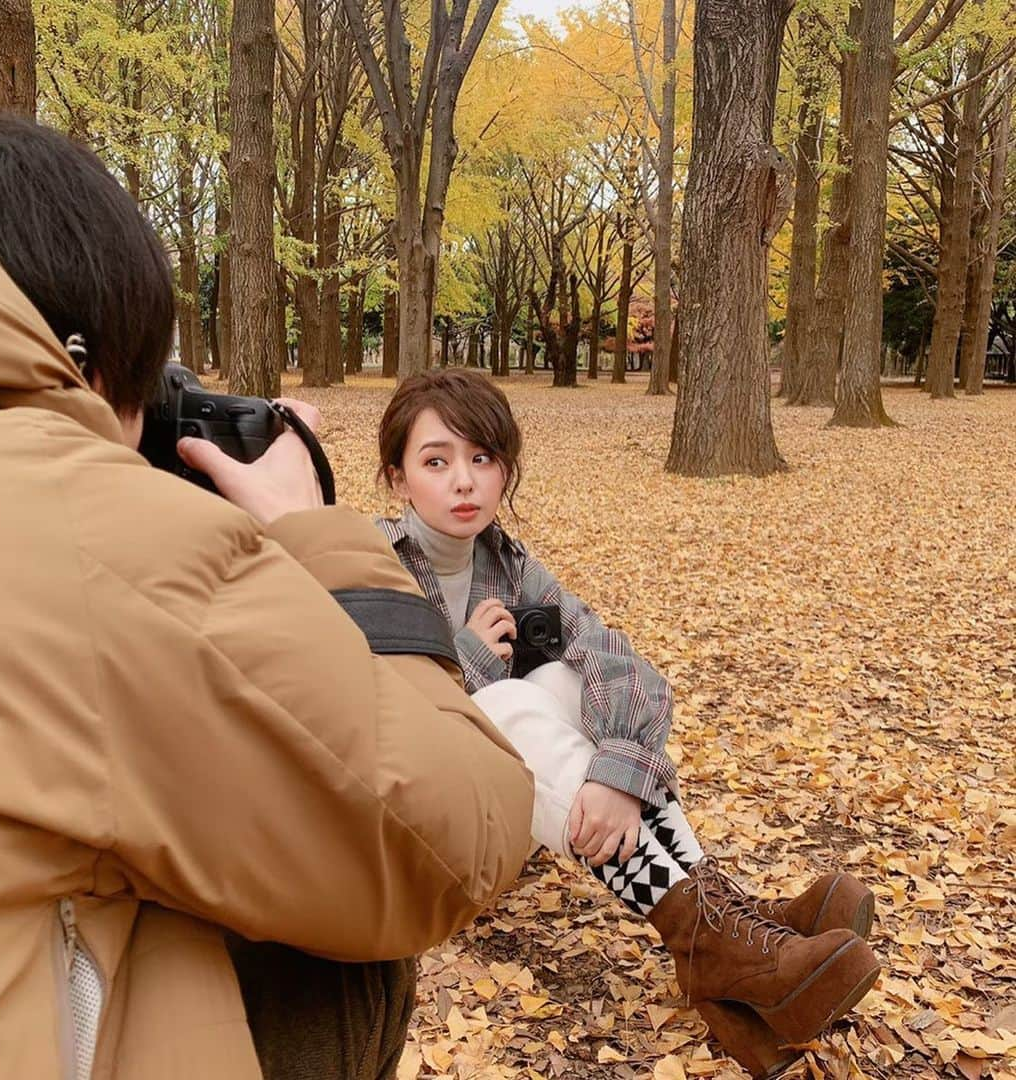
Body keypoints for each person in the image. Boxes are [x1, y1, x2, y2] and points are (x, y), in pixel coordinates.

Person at [0, 115, 533, 1080]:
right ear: (85, 373)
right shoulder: (100, 542)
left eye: (480, 460)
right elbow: (457, 835)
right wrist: (315, 535)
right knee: (330, 933)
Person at [375, 368, 881, 1079]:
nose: (464, 481)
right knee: (513, 699)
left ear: (504, 471)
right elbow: (368, 717)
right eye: (436, 461)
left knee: (564, 673)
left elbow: (621, 665)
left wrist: (617, 771)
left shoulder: (512, 566)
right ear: (397, 479)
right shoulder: (372, 565)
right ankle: (724, 938)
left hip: (513, 814)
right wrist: (467, 664)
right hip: (416, 833)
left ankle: (724, 943)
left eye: (481, 458)